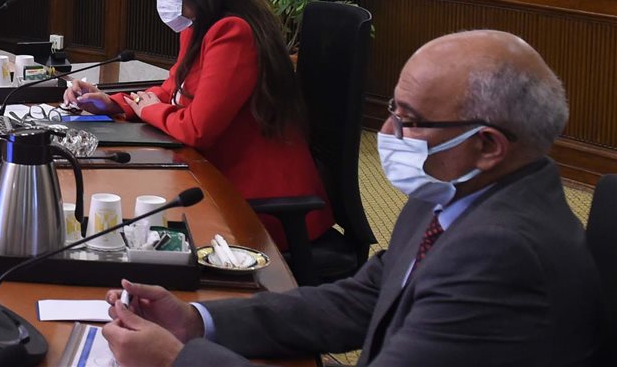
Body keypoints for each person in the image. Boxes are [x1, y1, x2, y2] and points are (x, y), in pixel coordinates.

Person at [99, 30, 601, 367]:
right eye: (392, 111)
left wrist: (178, 360)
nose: (388, 133)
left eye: (410, 120)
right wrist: (195, 322)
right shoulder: (453, 192)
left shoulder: (503, 252)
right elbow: (362, 300)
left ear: (488, 146)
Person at [65, 0, 333, 246]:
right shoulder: (197, 28)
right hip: (216, 176)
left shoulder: (233, 33)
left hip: (258, 204)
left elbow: (197, 129)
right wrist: (112, 103)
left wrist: (148, 110)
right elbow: (172, 90)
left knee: (136, 226)